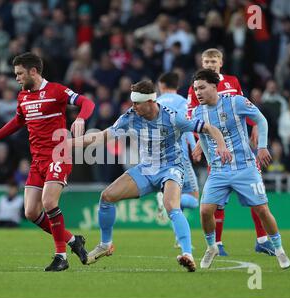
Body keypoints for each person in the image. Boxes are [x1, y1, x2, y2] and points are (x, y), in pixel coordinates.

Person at [70, 79, 231, 272]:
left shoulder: (173, 117)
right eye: (133, 102)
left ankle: (187, 253)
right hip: (145, 169)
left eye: (137, 102)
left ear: (150, 102)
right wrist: (71, 143)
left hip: (171, 168)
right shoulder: (130, 117)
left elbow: (208, 128)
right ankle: (105, 245)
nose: (133, 106)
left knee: (171, 205)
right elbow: (103, 136)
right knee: (106, 197)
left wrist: (221, 145)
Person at [0, 52, 95, 272]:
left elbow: (86, 102)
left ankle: (61, 257)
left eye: (20, 73)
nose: (17, 78)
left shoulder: (56, 91)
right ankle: (73, 241)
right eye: (15, 74)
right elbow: (17, 122)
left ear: (33, 71)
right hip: (37, 159)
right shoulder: (23, 96)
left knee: (49, 203)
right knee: (31, 212)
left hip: (58, 154)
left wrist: (80, 118)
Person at [191, 69, 290, 270]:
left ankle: (279, 249)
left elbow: (261, 120)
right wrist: (210, 160)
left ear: (214, 86)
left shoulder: (235, 101)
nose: (198, 93)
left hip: (245, 167)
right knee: (204, 211)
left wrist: (262, 146)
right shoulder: (197, 112)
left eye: (201, 88)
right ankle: (211, 247)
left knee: (262, 210)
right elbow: (202, 134)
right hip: (219, 171)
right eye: (195, 89)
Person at [188, 48, 274, 256]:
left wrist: (254, 125)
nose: (209, 64)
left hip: (241, 148)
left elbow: (246, 107)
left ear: (221, 62)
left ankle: (262, 239)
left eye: (212, 61)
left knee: (257, 196)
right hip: (217, 151)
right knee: (215, 200)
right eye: (206, 61)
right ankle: (217, 243)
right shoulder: (196, 88)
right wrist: (201, 141)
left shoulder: (232, 82)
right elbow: (195, 118)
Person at [155, 72, 199, 249]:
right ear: (176, 85)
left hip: (159, 158)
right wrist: (194, 146)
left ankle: (179, 240)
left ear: (162, 85)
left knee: (174, 203)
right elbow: (186, 126)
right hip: (179, 156)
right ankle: (164, 199)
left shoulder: (155, 104)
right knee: (194, 200)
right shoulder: (182, 102)